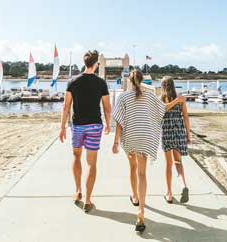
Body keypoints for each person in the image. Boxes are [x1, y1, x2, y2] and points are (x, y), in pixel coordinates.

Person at [111, 69, 184, 232]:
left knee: (132, 168)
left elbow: (119, 121)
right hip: (145, 136)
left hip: (130, 136)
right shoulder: (150, 96)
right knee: (142, 174)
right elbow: (163, 110)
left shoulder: (123, 97)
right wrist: (178, 101)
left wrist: (115, 142)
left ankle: (135, 197)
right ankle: (141, 211)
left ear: (129, 81)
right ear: (142, 80)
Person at [59, 50, 111, 213]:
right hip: (95, 125)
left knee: (76, 156)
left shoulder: (72, 81)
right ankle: (88, 200)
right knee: (91, 163)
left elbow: (66, 106)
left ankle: (78, 191)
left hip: (78, 125)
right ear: (96, 64)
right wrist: (108, 124)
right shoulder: (101, 83)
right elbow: (107, 107)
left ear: (85, 63)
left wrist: (62, 127)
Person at [160, 76, 191, 204]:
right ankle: (183, 184)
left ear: (163, 86)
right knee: (178, 162)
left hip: (167, 132)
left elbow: (163, 109)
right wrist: (188, 134)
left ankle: (169, 193)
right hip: (179, 132)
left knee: (168, 164)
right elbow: (186, 117)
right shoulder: (181, 98)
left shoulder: (161, 98)